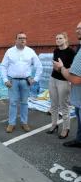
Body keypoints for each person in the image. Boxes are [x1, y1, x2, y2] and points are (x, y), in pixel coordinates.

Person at [0, 32, 43, 133]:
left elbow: (39, 66)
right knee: (13, 102)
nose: (22, 40)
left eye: (24, 38)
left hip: (25, 81)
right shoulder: (9, 51)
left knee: (24, 102)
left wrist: (35, 79)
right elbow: (3, 66)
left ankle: (24, 122)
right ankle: (11, 123)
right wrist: (5, 80)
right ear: (15, 40)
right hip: (12, 81)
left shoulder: (30, 51)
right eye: (20, 38)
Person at [53, 22, 81, 174]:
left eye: (80, 28)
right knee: (77, 117)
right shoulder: (78, 48)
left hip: (69, 82)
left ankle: (66, 130)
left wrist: (61, 69)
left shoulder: (73, 51)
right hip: (76, 95)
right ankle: (78, 139)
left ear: (65, 39)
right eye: (76, 28)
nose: (78, 30)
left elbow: (75, 78)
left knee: (64, 107)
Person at [46, 33, 75, 138]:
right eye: (56, 38)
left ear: (66, 39)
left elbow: (73, 68)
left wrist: (70, 82)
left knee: (64, 106)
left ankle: (65, 128)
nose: (58, 40)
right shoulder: (56, 51)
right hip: (53, 79)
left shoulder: (71, 52)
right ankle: (54, 125)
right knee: (54, 104)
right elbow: (55, 65)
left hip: (64, 81)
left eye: (60, 38)